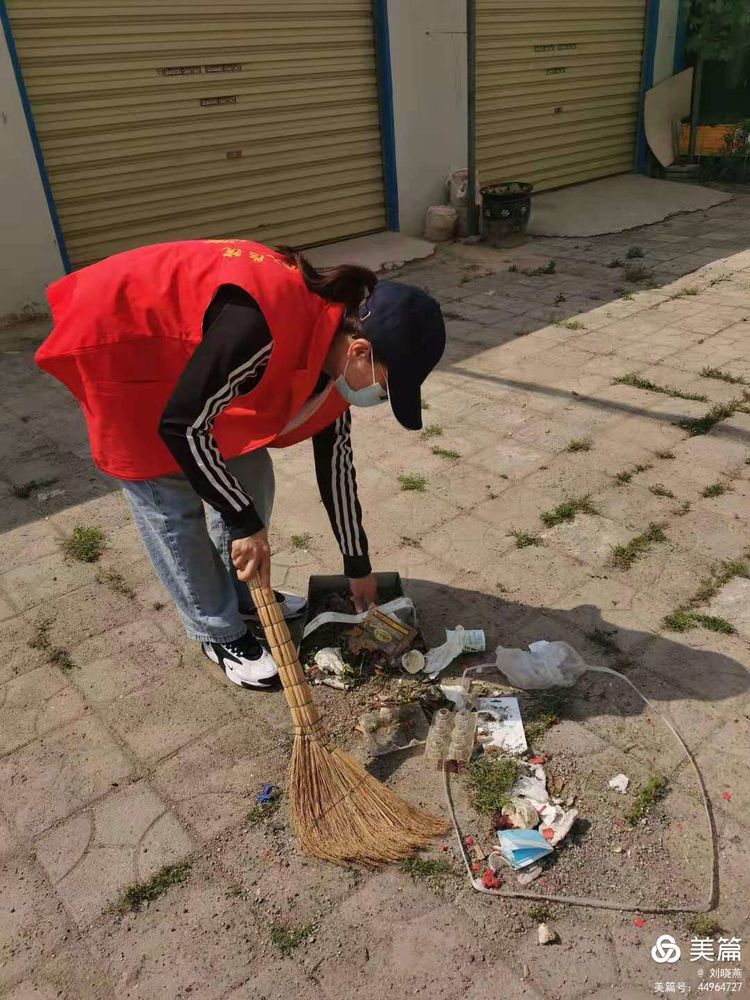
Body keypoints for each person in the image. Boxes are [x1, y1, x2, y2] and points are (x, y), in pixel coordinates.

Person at [35, 239, 446, 691]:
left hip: (197, 367)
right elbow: (182, 426)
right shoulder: (263, 324)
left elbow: (337, 469)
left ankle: (242, 594)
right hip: (124, 343)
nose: (379, 398)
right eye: (385, 387)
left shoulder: (333, 358)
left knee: (251, 470)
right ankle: (217, 630)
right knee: (170, 498)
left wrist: (357, 564)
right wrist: (245, 524)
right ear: (361, 351)